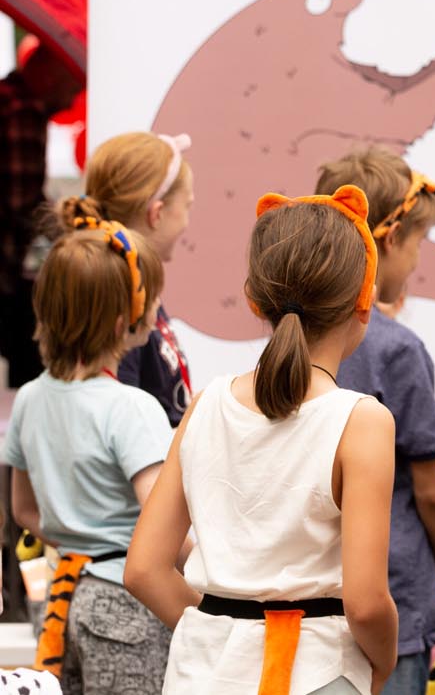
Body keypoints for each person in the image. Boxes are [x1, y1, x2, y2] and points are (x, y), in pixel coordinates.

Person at [125, 185, 399, 694]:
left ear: (255, 299)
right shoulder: (362, 422)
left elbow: (143, 568)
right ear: (363, 301)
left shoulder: (205, 406)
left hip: (200, 676)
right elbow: (365, 603)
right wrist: (382, 662)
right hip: (319, 673)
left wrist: (223, 633)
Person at [4, 206, 175, 693]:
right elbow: (162, 522)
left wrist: (78, 538)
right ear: (124, 321)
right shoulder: (132, 408)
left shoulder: (30, 398)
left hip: (61, 598)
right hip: (125, 603)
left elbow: (23, 509)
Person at [316, 148, 435, 695]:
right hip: (392, 597)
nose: (418, 261)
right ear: (391, 240)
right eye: (419, 243)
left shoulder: (292, 340)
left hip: (312, 596)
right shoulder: (398, 349)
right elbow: (431, 491)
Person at [70, 132, 195, 425]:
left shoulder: (137, 287)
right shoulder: (123, 302)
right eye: (187, 206)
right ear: (157, 214)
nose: (187, 222)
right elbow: (118, 422)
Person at [0, 43, 82, 389]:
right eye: (72, 89)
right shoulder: (23, 110)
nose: (70, 103)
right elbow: (23, 202)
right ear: (50, 75)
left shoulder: (7, 98)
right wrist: (76, 232)